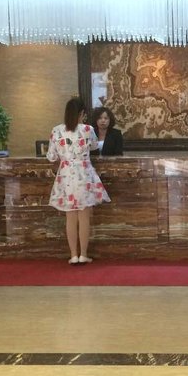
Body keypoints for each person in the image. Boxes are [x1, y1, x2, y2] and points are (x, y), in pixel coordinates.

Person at [47, 97, 110, 265]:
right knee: (84, 217)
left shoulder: (56, 130)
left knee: (70, 218)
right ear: (82, 113)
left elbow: (51, 156)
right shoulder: (88, 129)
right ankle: (83, 254)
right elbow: (94, 146)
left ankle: (73, 255)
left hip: (66, 176)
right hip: (84, 176)